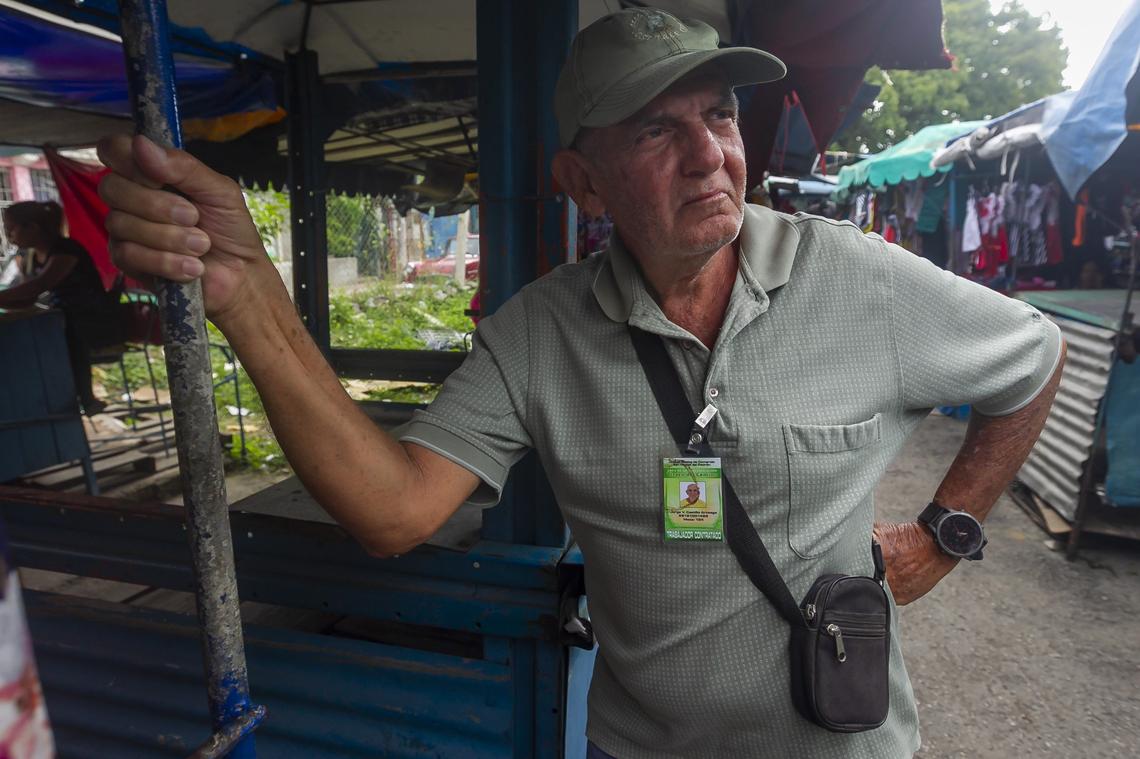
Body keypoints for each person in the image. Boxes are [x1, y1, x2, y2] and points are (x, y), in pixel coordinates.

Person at [96, 8, 1065, 758]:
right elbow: (393, 512)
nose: (708, 154)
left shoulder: (857, 279)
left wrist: (948, 530)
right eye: (654, 129)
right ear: (584, 183)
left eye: (719, 115)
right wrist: (252, 297)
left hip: (839, 744)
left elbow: (1033, 357)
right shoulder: (539, 335)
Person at [0, 201, 121, 415]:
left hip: (93, 320)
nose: (9, 235)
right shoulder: (32, 257)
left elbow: (39, 286)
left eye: (11, 229)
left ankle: (85, 398)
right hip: (64, 318)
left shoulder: (66, 250)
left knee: (65, 331)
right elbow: (28, 299)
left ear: (33, 227)